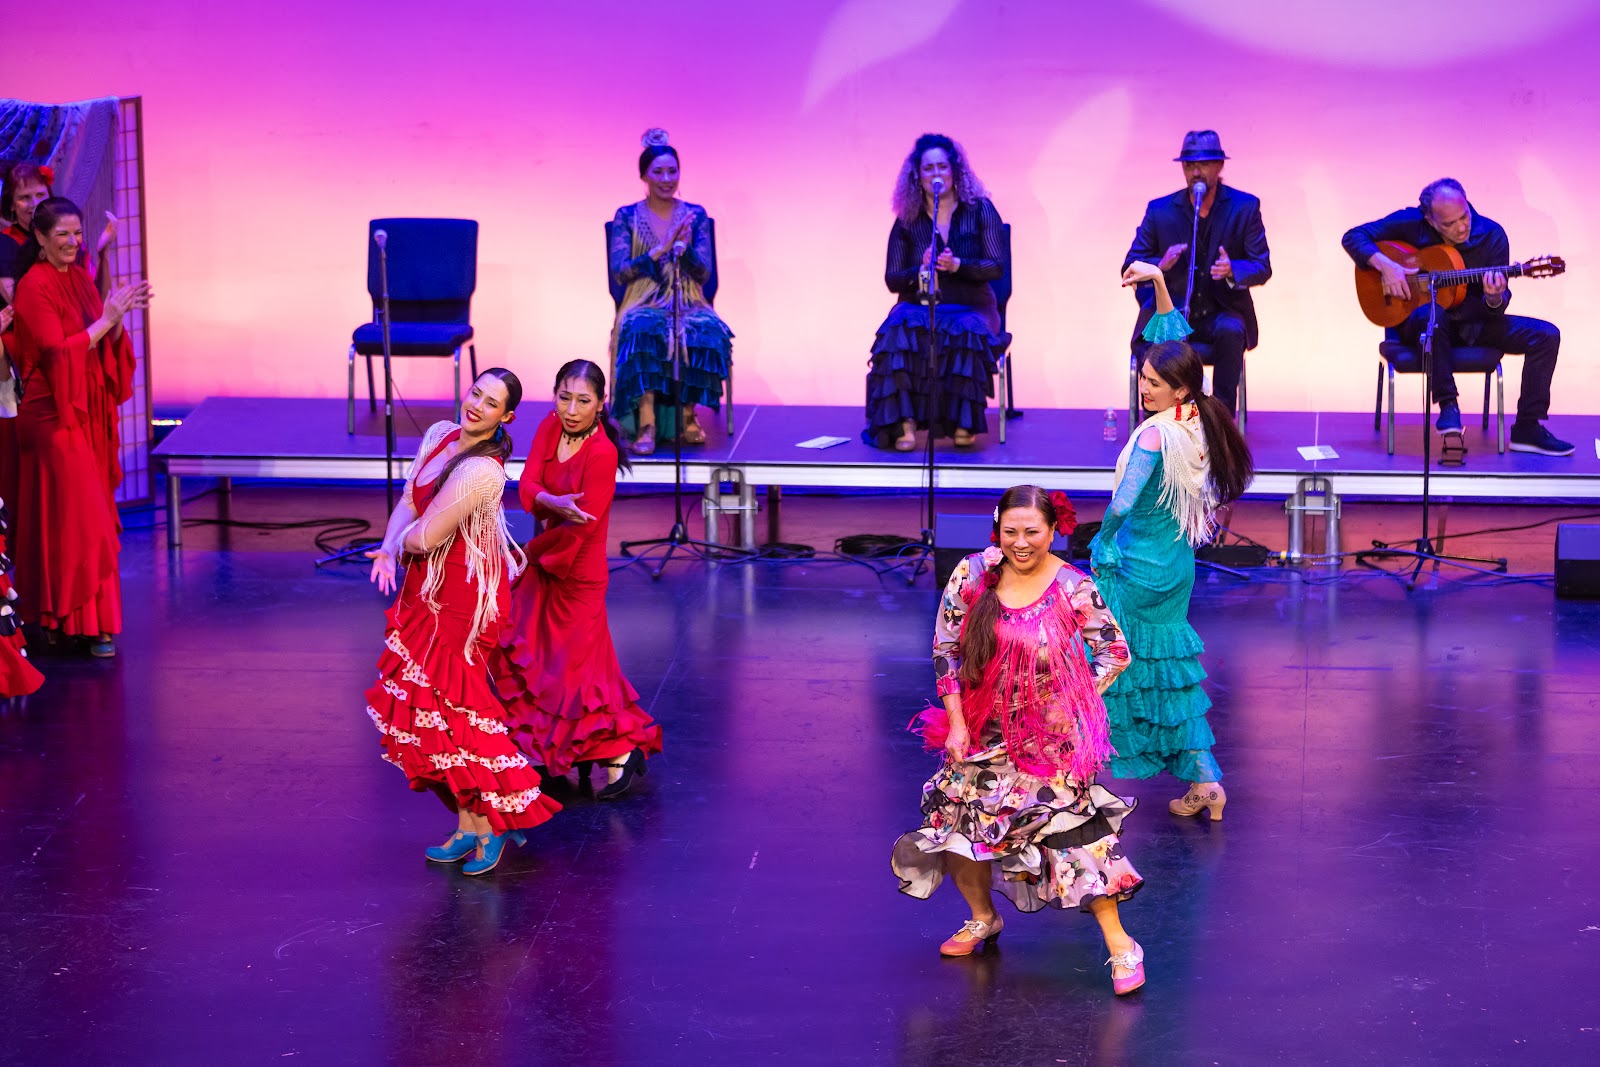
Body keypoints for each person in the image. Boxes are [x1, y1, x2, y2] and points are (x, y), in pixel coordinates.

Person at [892, 486, 1147, 996]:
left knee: (1074, 837)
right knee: (961, 829)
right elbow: (946, 648)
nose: (1021, 542)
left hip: (1048, 738)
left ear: (1054, 531)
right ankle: (983, 918)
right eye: (1011, 531)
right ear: (998, 529)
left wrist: (1071, 699)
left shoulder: (1074, 586)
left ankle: (1122, 946)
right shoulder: (973, 574)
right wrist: (957, 723)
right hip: (981, 728)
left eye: (1032, 531)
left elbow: (1115, 651)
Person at [365, 369, 561, 875]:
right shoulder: (439, 436)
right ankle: (468, 825)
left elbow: (427, 536)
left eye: (491, 402)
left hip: (461, 596)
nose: (477, 405)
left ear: (506, 416)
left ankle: (496, 823)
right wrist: (387, 548)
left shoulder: (484, 471)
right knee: (432, 708)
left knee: (458, 708)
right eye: (476, 392)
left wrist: (402, 543)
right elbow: (411, 501)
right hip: (425, 584)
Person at [1092, 261, 1254, 820]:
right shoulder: (1197, 420)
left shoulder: (1158, 434)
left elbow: (1122, 501)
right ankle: (1205, 781)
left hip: (1136, 566)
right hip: (1176, 568)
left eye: (1152, 383)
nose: (1143, 386)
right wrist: (1159, 284)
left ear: (1178, 388)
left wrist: (1103, 542)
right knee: (1165, 671)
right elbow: (1175, 344)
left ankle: (1087, 781)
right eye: (1141, 377)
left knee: (1109, 667)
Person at [493, 360, 662, 798]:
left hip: (577, 570)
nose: (570, 409)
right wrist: (548, 499)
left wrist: (527, 553)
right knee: (547, 663)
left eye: (583, 401)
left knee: (577, 672)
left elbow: (581, 527)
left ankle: (620, 749)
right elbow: (527, 482)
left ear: (601, 405)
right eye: (564, 397)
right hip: (547, 556)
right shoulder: (551, 427)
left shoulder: (602, 453)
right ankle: (567, 753)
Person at [7, 198, 148, 658]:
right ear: (41, 240)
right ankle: (82, 622)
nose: (72, 242)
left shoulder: (81, 281)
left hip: (83, 411)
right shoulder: (33, 286)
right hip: (50, 417)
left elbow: (95, 336)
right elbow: (54, 351)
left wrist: (115, 320)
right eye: (62, 234)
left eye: (77, 233)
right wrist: (105, 321)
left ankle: (64, 620)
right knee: (81, 522)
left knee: (72, 521)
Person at [1341, 178, 1570, 455]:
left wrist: (1494, 298)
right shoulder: (1410, 223)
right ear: (1430, 219)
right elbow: (1353, 236)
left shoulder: (1492, 235)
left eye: (1465, 216)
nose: (1462, 227)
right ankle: (1448, 405)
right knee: (1433, 313)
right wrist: (1387, 266)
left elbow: (1499, 303)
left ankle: (1527, 429)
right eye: (1449, 224)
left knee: (1546, 336)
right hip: (1422, 324)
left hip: (1475, 324)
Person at [866, 133, 1008, 451]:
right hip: (921, 305)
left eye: (942, 167)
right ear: (917, 175)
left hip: (971, 306)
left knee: (967, 329)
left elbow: (996, 266)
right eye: (928, 168)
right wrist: (920, 270)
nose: (936, 174)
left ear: (955, 171)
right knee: (897, 326)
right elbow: (892, 280)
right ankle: (903, 425)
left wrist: (959, 264)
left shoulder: (980, 209)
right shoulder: (907, 221)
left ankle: (963, 424)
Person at [1121, 130, 1271, 418]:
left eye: (1203, 164)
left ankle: (1221, 423)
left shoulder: (1245, 207)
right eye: (1189, 165)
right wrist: (1159, 264)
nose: (1195, 172)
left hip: (1222, 311)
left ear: (1220, 166)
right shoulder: (1160, 210)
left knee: (1231, 330)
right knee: (1159, 337)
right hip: (1171, 311)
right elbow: (1129, 265)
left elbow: (1262, 265)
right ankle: (1159, 426)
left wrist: (1234, 270)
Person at [607, 129, 733, 457]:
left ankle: (688, 417)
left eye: (672, 171)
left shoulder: (696, 215)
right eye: (658, 171)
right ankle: (647, 420)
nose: (667, 178)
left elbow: (705, 272)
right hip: (643, 296)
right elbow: (619, 270)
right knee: (641, 327)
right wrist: (656, 253)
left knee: (705, 329)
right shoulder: (627, 216)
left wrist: (684, 249)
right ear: (644, 176)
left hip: (687, 295)